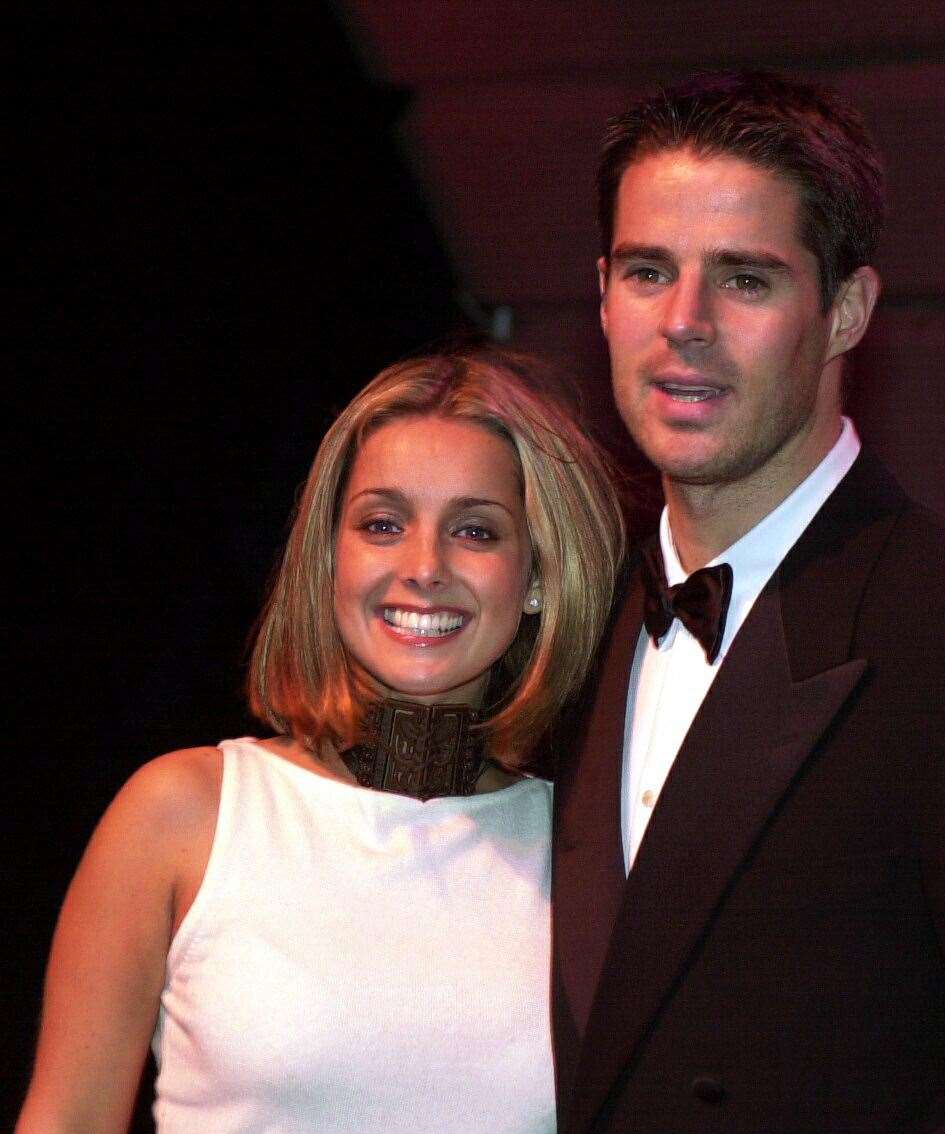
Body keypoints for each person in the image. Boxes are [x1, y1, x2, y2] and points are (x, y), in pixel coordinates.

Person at [551, 71, 945, 1132]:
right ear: (603, 293)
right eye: (649, 271)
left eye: (744, 280)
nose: (684, 324)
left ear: (844, 311)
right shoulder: (564, 616)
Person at [18, 346, 624, 1133]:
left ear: (537, 575)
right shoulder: (185, 814)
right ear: (331, 555)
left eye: (475, 531)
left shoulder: (587, 854)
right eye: (383, 523)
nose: (423, 566)